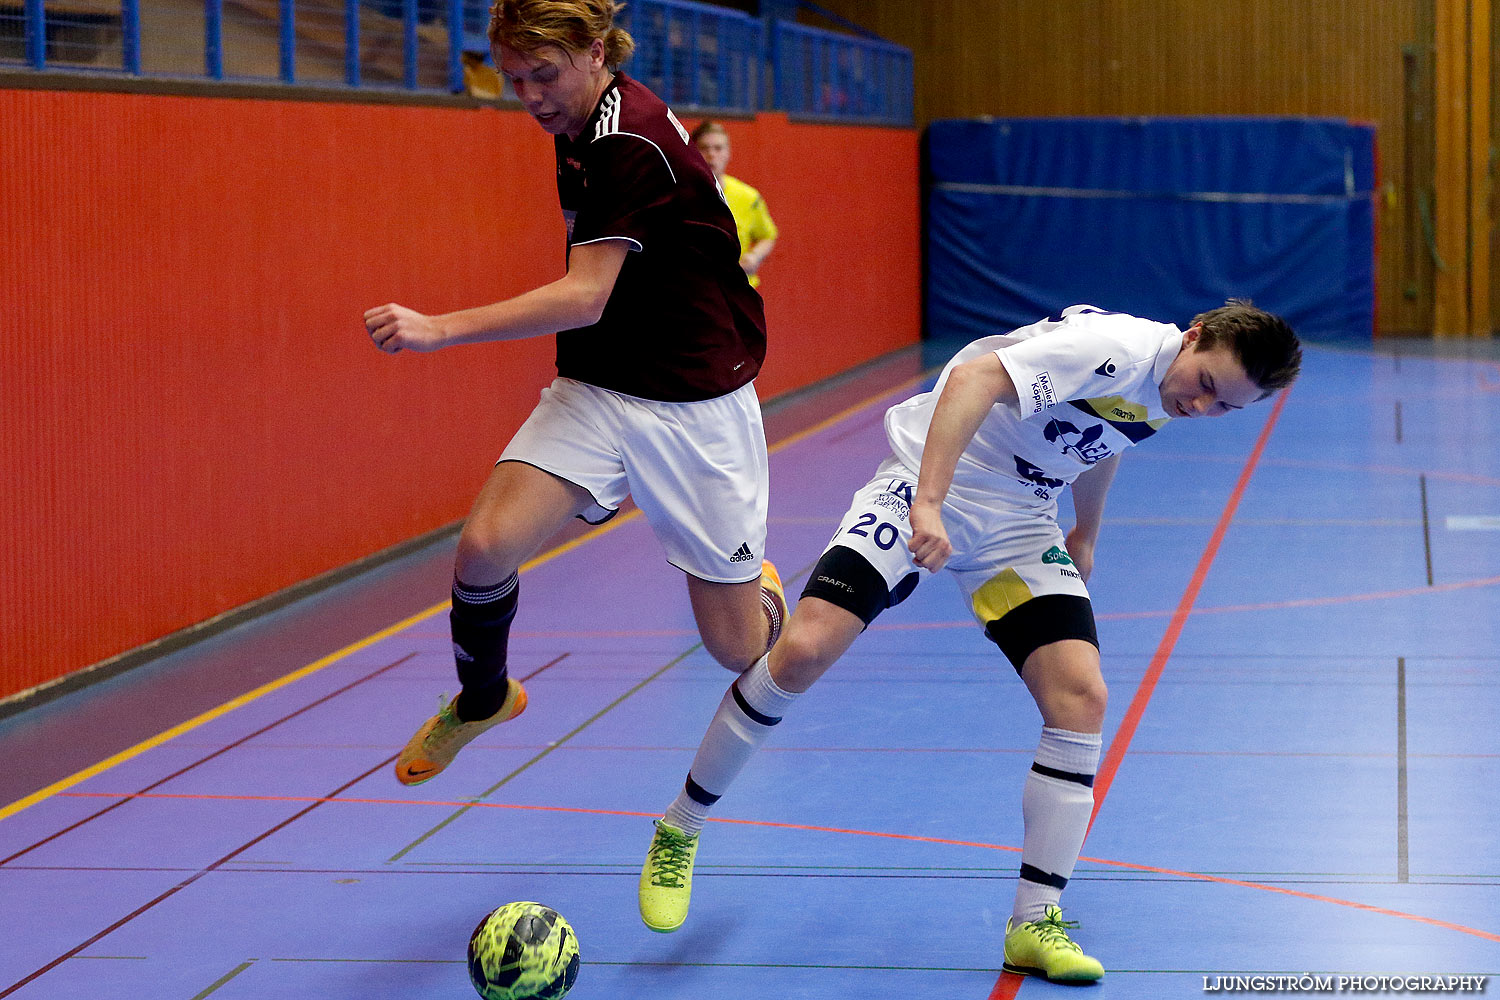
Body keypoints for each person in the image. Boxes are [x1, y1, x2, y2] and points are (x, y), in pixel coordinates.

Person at [637, 301, 1302, 982]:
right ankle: (680, 827)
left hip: (1019, 523)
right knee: (804, 649)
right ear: (1192, 336)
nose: (1202, 406)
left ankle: (1033, 923)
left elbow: (1105, 437)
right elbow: (973, 381)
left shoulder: (1170, 388)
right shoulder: (1114, 349)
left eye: (1226, 408)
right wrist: (928, 500)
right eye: (1207, 385)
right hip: (924, 483)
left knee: (1080, 698)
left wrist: (1086, 531)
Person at [364, 0, 785, 790]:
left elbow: (585, 293)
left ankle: (762, 592)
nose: (529, 95)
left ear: (596, 52)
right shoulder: (575, 129)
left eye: (543, 74)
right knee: (486, 546)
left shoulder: (630, 140)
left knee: (737, 650)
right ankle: (485, 698)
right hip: (600, 386)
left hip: (695, 404)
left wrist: (440, 328)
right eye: (514, 77)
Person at [690, 121, 778, 288]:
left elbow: (768, 236)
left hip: (737, 290)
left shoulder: (748, 197)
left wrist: (754, 256)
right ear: (693, 152)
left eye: (718, 148)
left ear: (728, 152)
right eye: (704, 148)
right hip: (695, 291)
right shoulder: (679, 194)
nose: (711, 155)